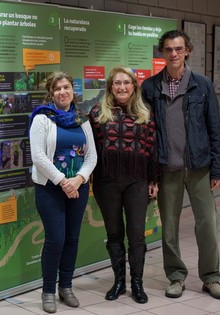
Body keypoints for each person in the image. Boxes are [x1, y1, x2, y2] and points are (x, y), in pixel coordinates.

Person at [141, 30, 220, 300]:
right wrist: (151, 173)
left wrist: (218, 168)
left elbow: (215, 128)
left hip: (199, 167)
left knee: (208, 225)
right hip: (167, 168)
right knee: (168, 228)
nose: (174, 54)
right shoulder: (150, 87)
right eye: (168, 49)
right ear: (162, 53)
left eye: (179, 49)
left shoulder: (202, 85)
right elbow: (147, 134)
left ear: (187, 50)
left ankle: (211, 278)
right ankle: (176, 276)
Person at [89, 66, 158, 304]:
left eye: (126, 83)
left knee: (137, 235)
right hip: (106, 182)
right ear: (110, 87)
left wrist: (153, 180)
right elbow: (90, 149)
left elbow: (152, 150)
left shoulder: (146, 113)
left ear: (134, 86)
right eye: (117, 83)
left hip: (137, 182)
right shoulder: (98, 113)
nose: (121, 87)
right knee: (114, 233)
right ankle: (119, 281)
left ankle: (137, 283)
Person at [29, 72, 97, 313]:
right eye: (57, 88)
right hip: (50, 188)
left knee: (72, 239)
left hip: (78, 187)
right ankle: (48, 291)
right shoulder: (42, 118)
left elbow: (91, 156)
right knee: (55, 239)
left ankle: (66, 287)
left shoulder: (82, 119)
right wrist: (62, 181)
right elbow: (38, 156)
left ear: (72, 90)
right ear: (51, 93)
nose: (62, 92)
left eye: (66, 87)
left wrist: (78, 179)